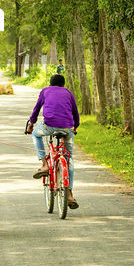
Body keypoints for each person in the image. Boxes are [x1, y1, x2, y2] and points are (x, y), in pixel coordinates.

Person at [26, 74, 79, 209]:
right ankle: (69, 193)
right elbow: (75, 112)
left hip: (49, 126)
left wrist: (31, 124)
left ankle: (44, 164)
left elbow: (36, 109)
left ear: (50, 84)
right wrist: (75, 126)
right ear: (63, 84)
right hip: (68, 128)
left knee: (36, 135)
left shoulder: (45, 91)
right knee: (69, 157)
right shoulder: (68, 92)